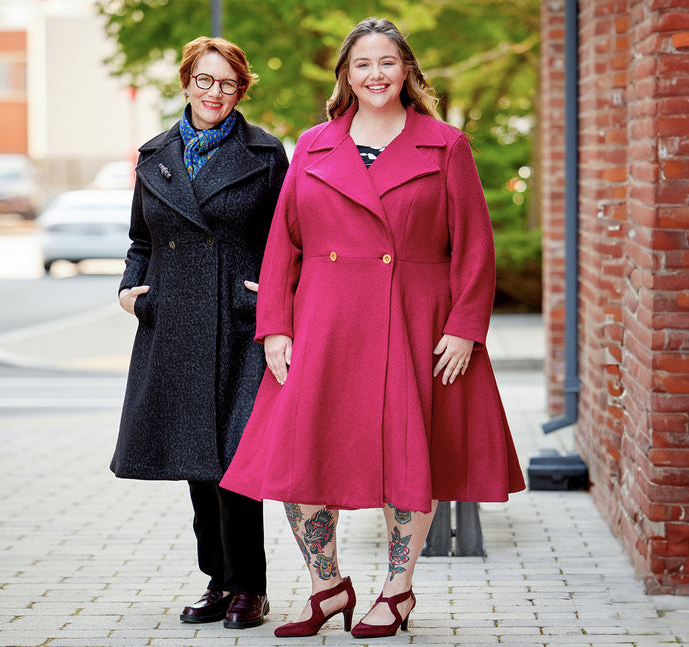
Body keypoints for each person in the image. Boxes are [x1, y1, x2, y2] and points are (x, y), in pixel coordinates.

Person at [220, 17, 525, 639]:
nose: (376, 74)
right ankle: (327, 586)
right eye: (362, 64)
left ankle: (397, 590)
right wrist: (275, 325)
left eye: (387, 62)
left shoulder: (446, 145)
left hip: (415, 319)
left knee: (407, 460)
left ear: (407, 70)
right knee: (297, 460)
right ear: (346, 76)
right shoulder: (313, 145)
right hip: (323, 321)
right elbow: (284, 243)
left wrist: (465, 326)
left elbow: (475, 248)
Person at [110, 36, 288, 630]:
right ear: (187, 81)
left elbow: (287, 236)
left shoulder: (264, 154)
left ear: (241, 90)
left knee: (237, 459)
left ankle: (250, 587)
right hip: (175, 322)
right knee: (196, 461)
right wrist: (130, 289)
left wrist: (276, 292)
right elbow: (142, 238)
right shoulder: (154, 153)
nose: (216, 93)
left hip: (241, 324)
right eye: (206, 81)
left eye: (229, 84)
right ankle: (218, 580)